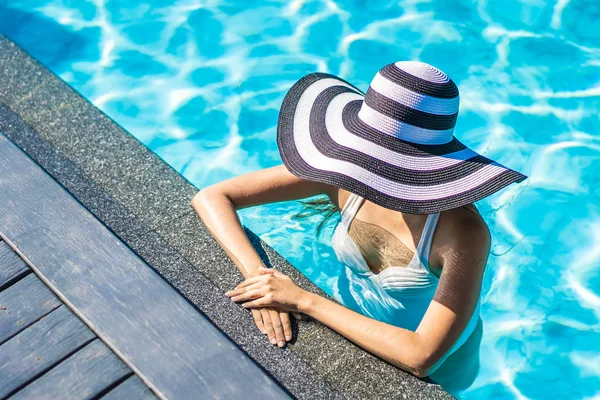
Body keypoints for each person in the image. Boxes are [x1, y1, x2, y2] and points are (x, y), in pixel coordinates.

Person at [191, 61, 527, 378]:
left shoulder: (461, 232)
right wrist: (261, 280)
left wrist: (303, 301)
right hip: (350, 320)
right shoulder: (347, 170)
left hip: (445, 359)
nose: (369, 165)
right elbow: (213, 197)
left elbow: (422, 356)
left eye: (381, 155)